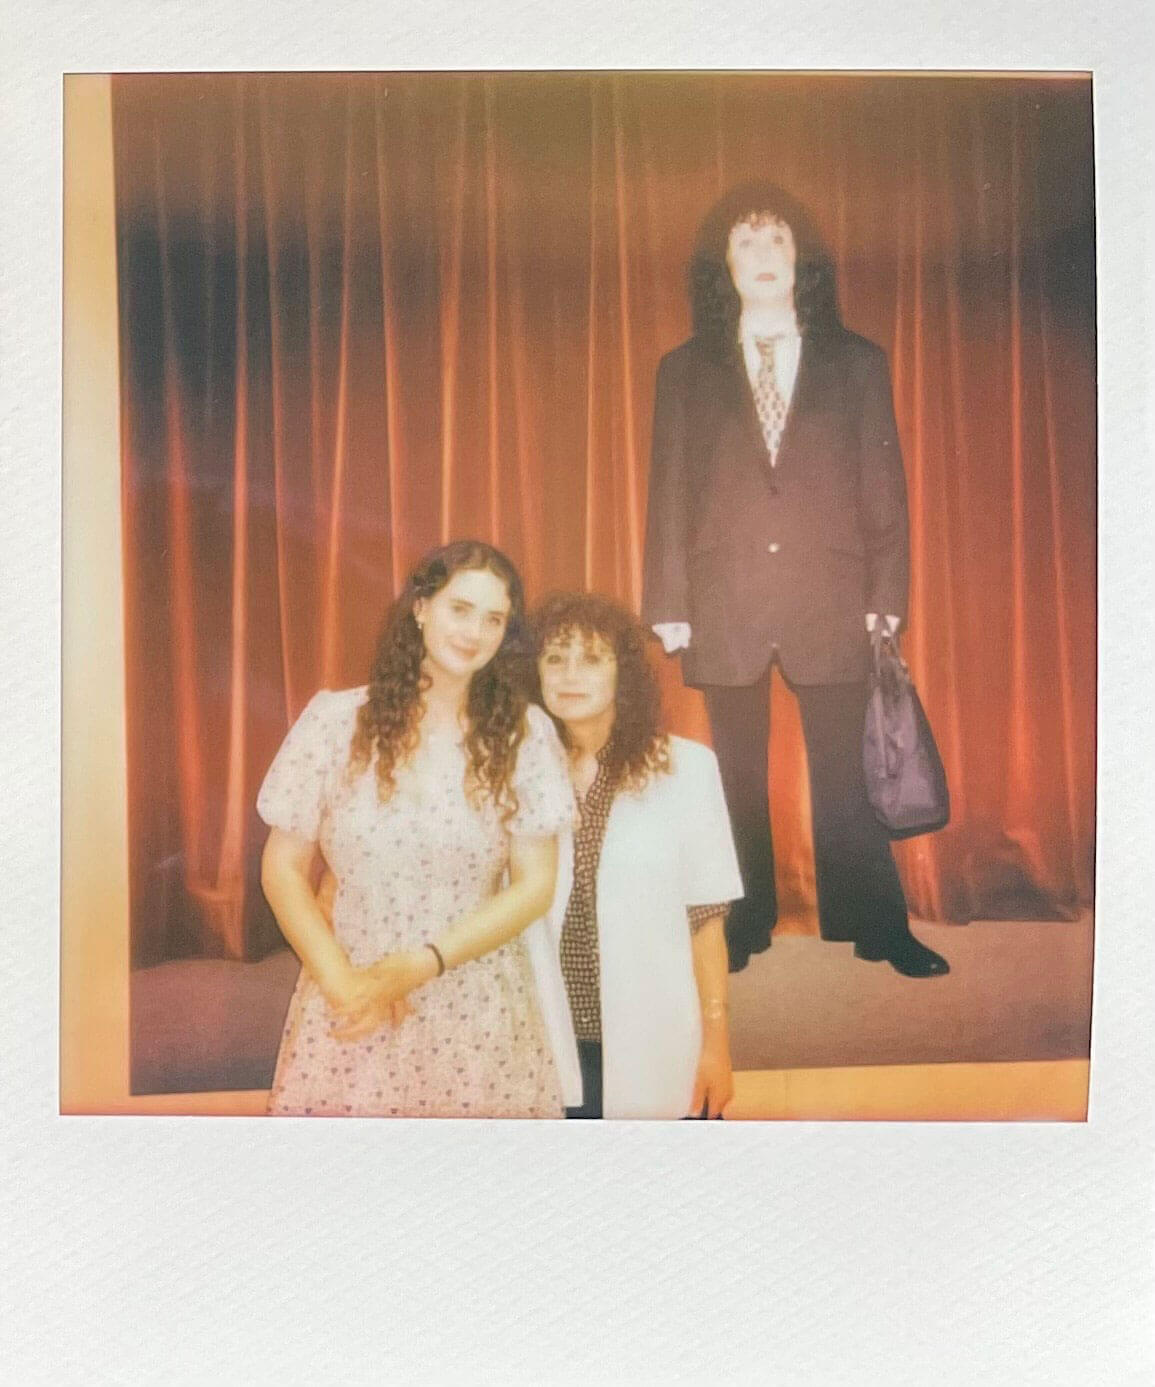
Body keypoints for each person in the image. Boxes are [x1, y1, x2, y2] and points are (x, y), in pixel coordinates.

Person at [641, 181, 949, 979]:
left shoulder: (856, 361)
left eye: (776, 240)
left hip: (833, 599)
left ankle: (876, 924)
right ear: (724, 268)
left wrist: (887, 595)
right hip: (724, 599)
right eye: (744, 243)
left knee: (848, 772)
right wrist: (669, 602)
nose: (762, 256)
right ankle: (741, 928)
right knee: (733, 774)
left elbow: (884, 485)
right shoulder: (684, 370)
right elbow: (668, 486)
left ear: (799, 261)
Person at [257, 540, 582, 1117]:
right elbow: (282, 868)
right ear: (421, 607)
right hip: (350, 994)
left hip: (478, 1000)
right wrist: (347, 986)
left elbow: (534, 886)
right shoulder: (335, 723)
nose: (474, 631)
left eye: (494, 619)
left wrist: (421, 965)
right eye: (460, 608)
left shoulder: (524, 736)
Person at [529, 591, 743, 1120]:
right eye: (555, 658)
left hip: (654, 1034)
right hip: (542, 1037)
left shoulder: (687, 769)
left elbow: (706, 919)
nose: (569, 675)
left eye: (591, 658)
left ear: (622, 672)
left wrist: (716, 1044)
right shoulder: (517, 770)